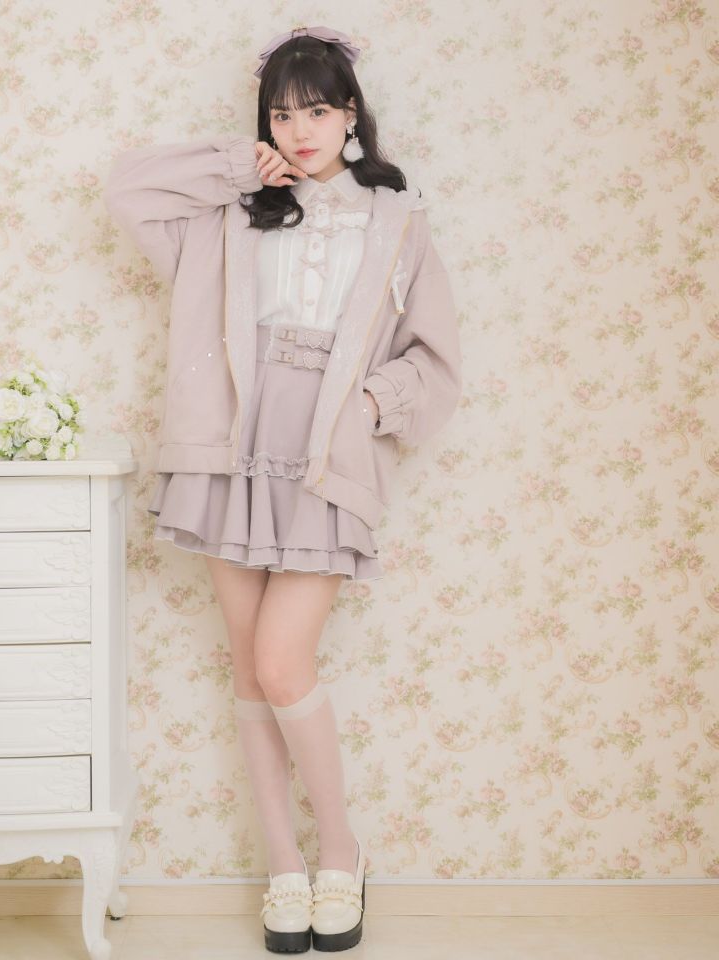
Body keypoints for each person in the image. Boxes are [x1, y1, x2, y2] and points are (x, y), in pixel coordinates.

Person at [104, 25, 462, 954]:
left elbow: (435, 359)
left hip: (324, 453)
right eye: (281, 114)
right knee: (249, 668)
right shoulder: (230, 212)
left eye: (316, 111)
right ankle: (284, 867)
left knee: (280, 661)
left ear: (351, 115)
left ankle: (341, 850)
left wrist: (370, 405)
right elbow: (126, 190)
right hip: (230, 440)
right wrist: (238, 165)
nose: (299, 131)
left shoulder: (396, 221)